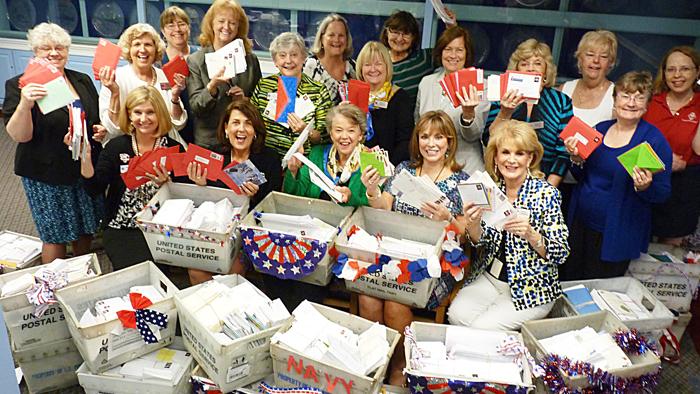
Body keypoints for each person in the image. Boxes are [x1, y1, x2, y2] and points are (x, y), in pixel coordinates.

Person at [360, 110, 468, 385]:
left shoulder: (463, 180)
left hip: (434, 263)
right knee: (368, 296)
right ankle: (376, 361)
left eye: (438, 137)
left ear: (449, 142)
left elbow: (466, 236)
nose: (431, 143)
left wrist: (448, 219)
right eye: (424, 136)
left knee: (395, 302)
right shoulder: (403, 170)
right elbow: (384, 207)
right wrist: (372, 190)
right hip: (395, 253)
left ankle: (400, 366)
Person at [448, 120, 569, 330]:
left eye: (520, 153)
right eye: (505, 152)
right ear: (496, 157)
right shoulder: (491, 190)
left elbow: (561, 253)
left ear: (530, 158)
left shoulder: (546, 194)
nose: (511, 160)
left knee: (481, 330)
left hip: (532, 288)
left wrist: (532, 235)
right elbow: (479, 241)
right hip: (490, 278)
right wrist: (473, 223)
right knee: (456, 317)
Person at [3, 23, 103, 264]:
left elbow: (93, 116)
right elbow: (19, 136)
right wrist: (25, 104)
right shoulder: (20, 85)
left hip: (82, 166)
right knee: (55, 236)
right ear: (35, 53)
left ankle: (82, 274)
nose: (54, 53)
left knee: (85, 226)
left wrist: (98, 130)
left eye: (60, 47)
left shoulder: (81, 79)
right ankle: (53, 289)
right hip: (45, 172)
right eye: (45, 48)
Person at [565, 71, 672, 279]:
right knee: (569, 282)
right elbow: (581, 175)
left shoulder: (653, 140)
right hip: (579, 224)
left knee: (599, 290)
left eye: (639, 97)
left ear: (647, 104)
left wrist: (644, 186)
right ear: (614, 100)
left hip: (616, 233)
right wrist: (576, 158)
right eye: (625, 96)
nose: (631, 103)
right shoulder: (600, 130)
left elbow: (662, 193)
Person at [82, 86, 186, 270]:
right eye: (137, 112)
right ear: (129, 115)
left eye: (150, 112)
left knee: (156, 273)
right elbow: (94, 189)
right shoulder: (115, 147)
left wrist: (167, 185)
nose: (143, 119)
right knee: (132, 273)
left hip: (162, 226)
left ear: (160, 114)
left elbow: (186, 199)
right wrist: (85, 159)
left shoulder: (174, 149)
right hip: (122, 226)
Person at [187, 100, 282, 285]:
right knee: (196, 270)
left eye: (248, 124)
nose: (241, 129)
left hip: (248, 236)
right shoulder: (214, 156)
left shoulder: (269, 158)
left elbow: (273, 207)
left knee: (230, 272)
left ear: (255, 131)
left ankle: (226, 312)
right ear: (225, 128)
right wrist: (201, 186)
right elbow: (201, 206)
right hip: (214, 232)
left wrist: (256, 195)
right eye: (236, 123)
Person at [483, 39, 573, 188]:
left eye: (537, 63)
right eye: (524, 63)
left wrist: (547, 190)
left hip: (546, 181)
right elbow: (490, 140)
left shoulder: (561, 101)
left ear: (546, 69)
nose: (531, 69)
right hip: (504, 181)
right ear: (516, 69)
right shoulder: (502, 98)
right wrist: (505, 112)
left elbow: (564, 152)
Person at [187, 0, 262, 153]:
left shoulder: (250, 60)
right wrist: (211, 88)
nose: (226, 27)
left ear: (239, 27)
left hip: (243, 142)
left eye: (232, 23)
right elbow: (195, 108)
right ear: (211, 24)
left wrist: (244, 101)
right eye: (221, 21)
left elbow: (260, 103)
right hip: (209, 142)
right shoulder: (196, 60)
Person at [644, 46, 700, 246]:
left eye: (684, 69)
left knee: (669, 257)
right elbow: (629, 142)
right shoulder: (650, 102)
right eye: (671, 69)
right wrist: (663, 161)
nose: (677, 75)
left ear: (697, 72)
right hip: (647, 182)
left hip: (684, 188)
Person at [557, 30, 617, 218]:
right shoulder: (563, 90)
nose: (596, 61)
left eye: (604, 56)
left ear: (611, 62)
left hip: (593, 186)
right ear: (579, 59)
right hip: (556, 179)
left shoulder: (618, 97)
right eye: (590, 55)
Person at [415, 26, 489, 176]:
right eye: (448, 49)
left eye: (459, 50)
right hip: (430, 168)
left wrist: (468, 114)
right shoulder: (426, 83)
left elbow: (473, 135)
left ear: (467, 54)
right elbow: (418, 125)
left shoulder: (481, 84)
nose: (453, 55)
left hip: (465, 167)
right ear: (440, 52)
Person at [97, 23, 186, 146]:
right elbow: (112, 129)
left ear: (156, 50)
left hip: (166, 144)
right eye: (137, 44)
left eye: (148, 45)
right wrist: (115, 93)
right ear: (129, 49)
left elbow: (178, 124)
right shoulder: (115, 78)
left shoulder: (164, 75)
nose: (143, 50)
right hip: (130, 148)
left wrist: (175, 98)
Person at [250, 32, 331, 156]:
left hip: (304, 161)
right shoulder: (264, 85)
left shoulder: (319, 90)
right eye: (282, 55)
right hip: (268, 159)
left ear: (304, 58)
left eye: (294, 55)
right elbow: (251, 120)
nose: (288, 61)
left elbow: (325, 137)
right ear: (275, 61)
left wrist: (306, 132)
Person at [285, 104, 369, 207]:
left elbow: (371, 207)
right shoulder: (317, 154)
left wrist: (350, 199)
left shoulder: (371, 161)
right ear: (331, 134)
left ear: (360, 135)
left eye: (351, 131)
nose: (344, 136)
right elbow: (293, 196)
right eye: (338, 130)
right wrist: (293, 171)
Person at [379, 9, 455, 108]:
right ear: (387, 33)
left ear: (414, 37)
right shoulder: (377, 62)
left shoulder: (423, 58)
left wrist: (451, 28)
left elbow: (452, 53)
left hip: (416, 121)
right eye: (395, 32)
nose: (399, 38)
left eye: (406, 34)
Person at [356, 41, 413, 165]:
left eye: (378, 64)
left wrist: (390, 170)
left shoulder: (400, 97)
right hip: (354, 168)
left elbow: (405, 141)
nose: (373, 69)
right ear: (361, 68)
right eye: (367, 64)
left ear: (387, 66)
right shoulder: (351, 95)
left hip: (389, 169)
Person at [160, 5, 197, 144]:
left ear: (188, 27)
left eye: (181, 24)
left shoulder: (201, 55)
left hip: (199, 127)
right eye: (170, 25)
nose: (177, 29)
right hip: (171, 129)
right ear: (163, 31)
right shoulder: (156, 61)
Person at [303, 14, 356, 105]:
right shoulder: (310, 66)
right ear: (321, 38)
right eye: (331, 35)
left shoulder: (354, 68)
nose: (336, 40)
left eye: (341, 35)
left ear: (347, 39)